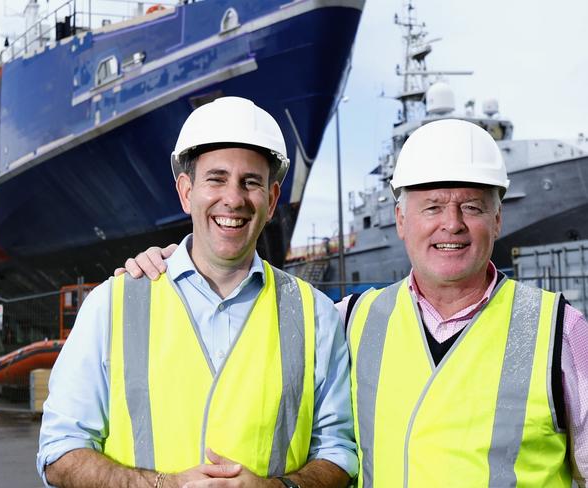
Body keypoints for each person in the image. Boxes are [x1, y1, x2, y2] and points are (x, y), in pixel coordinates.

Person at [117, 119, 588, 487]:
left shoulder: (562, 333)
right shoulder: (347, 321)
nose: (452, 225)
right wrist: (174, 262)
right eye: (432, 207)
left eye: (471, 206)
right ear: (399, 220)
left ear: (498, 219)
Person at [37, 97, 357, 488]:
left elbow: (339, 453)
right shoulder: (112, 304)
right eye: (216, 178)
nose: (234, 198)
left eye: (251, 182)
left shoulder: (316, 315)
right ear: (186, 192)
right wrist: (160, 485)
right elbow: (59, 452)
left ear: (272, 201)